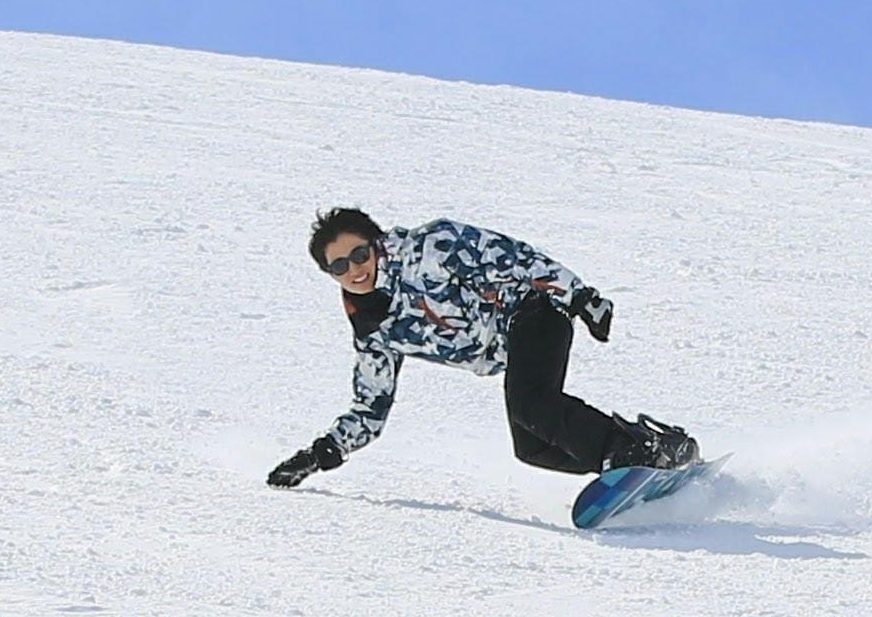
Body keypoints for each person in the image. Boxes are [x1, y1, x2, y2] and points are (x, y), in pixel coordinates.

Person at [266, 207, 700, 491]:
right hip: (512, 348)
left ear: (375, 243)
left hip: (532, 310)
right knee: (532, 448)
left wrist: (580, 297)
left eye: (358, 254)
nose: (354, 269)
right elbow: (370, 405)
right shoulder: (373, 326)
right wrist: (322, 453)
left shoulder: (429, 245)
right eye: (338, 266)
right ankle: (643, 455)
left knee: (532, 405)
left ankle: (630, 455)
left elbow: (515, 259)